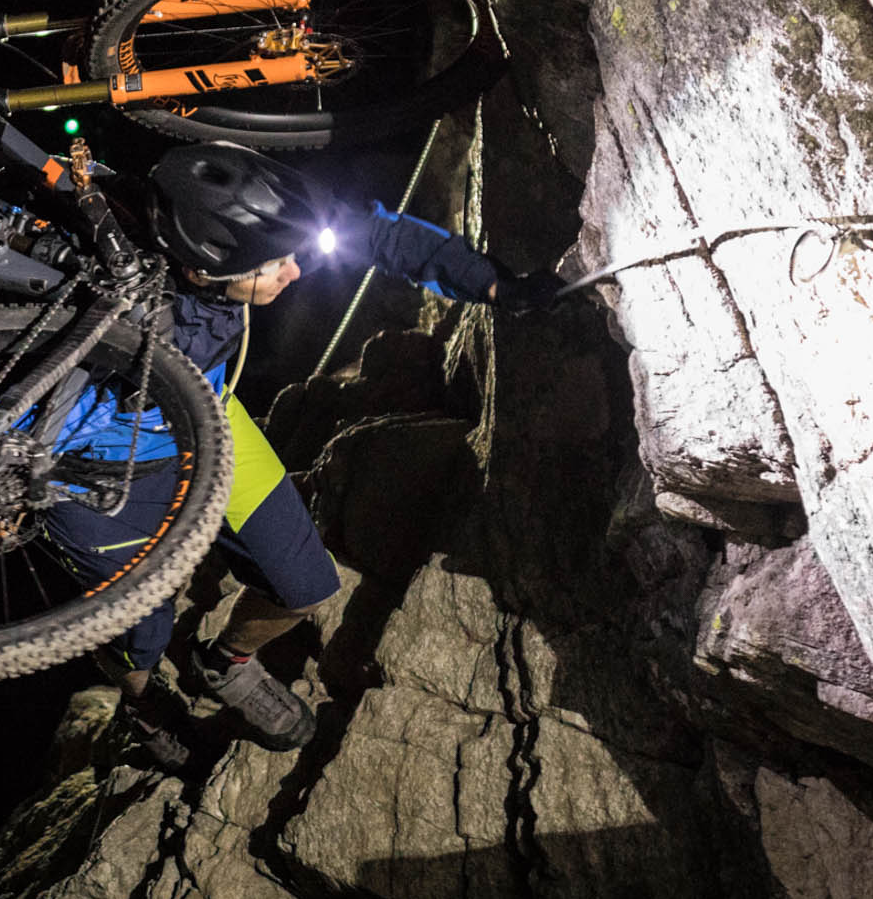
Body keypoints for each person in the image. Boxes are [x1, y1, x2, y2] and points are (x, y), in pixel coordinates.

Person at [40, 141, 558, 766]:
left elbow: (376, 237)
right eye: (274, 266)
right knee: (139, 637)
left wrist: (490, 282)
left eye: (288, 253)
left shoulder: (253, 231)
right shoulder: (113, 317)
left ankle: (223, 664)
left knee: (306, 587)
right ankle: (144, 703)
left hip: (210, 424)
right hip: (98, 478)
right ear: (201, 271)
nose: (295, 271)